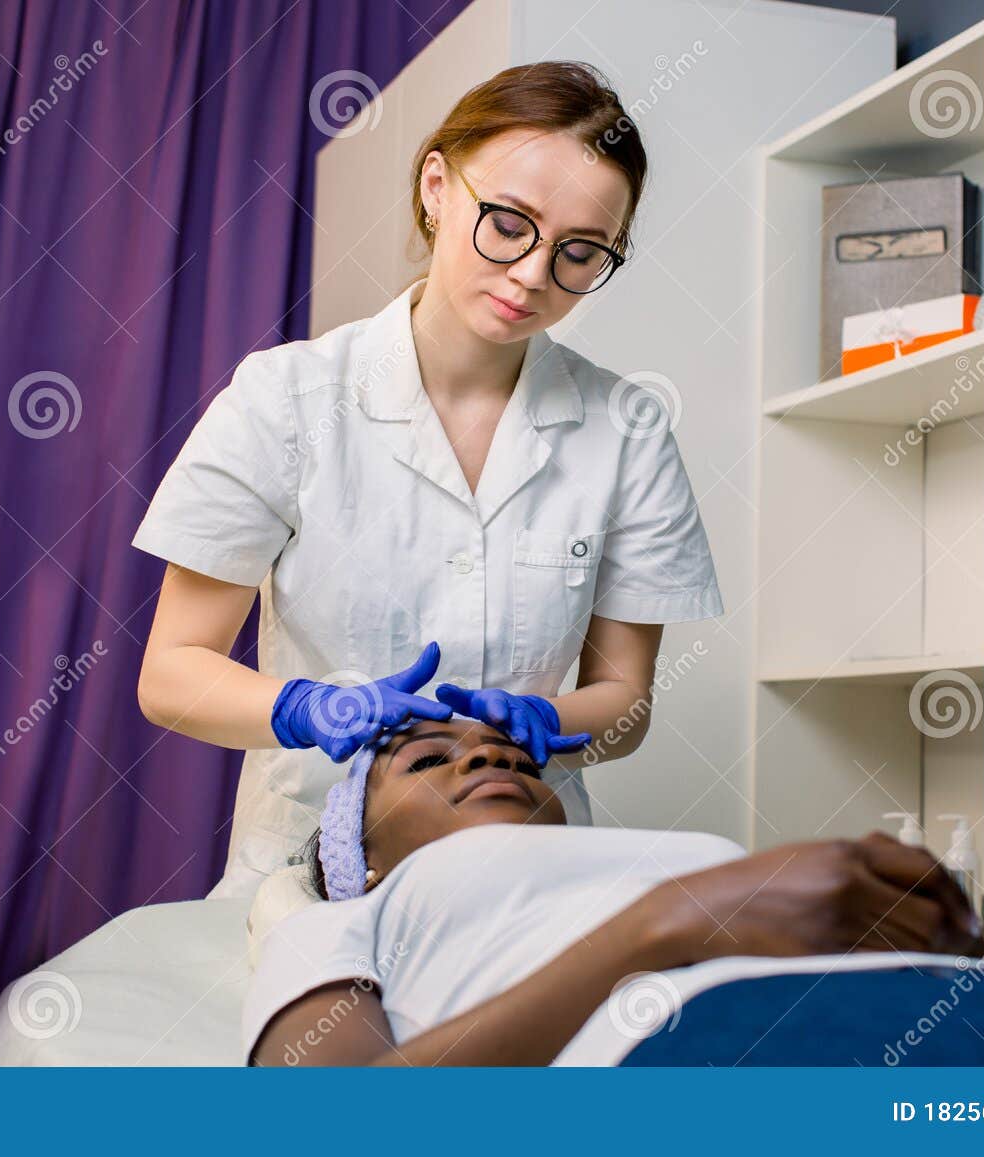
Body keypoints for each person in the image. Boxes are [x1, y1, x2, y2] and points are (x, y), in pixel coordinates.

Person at [130, 60, 722, 901]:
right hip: (312, 866)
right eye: (509, 224)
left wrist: (554, 723)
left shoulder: (627, 429)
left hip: (530, 866)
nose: (531, 275)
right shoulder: (287, 398)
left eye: (580, 252)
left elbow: (625, 700)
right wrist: (307, 709)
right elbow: (172, 673)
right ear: (438, 185)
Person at [242, 717, 984, 1067]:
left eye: (511, 752)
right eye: (427, 760)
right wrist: (672, 925)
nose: (491, 757)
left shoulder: (672, 850)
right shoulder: (346, 914)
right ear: (360, 850)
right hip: (702, 1041)